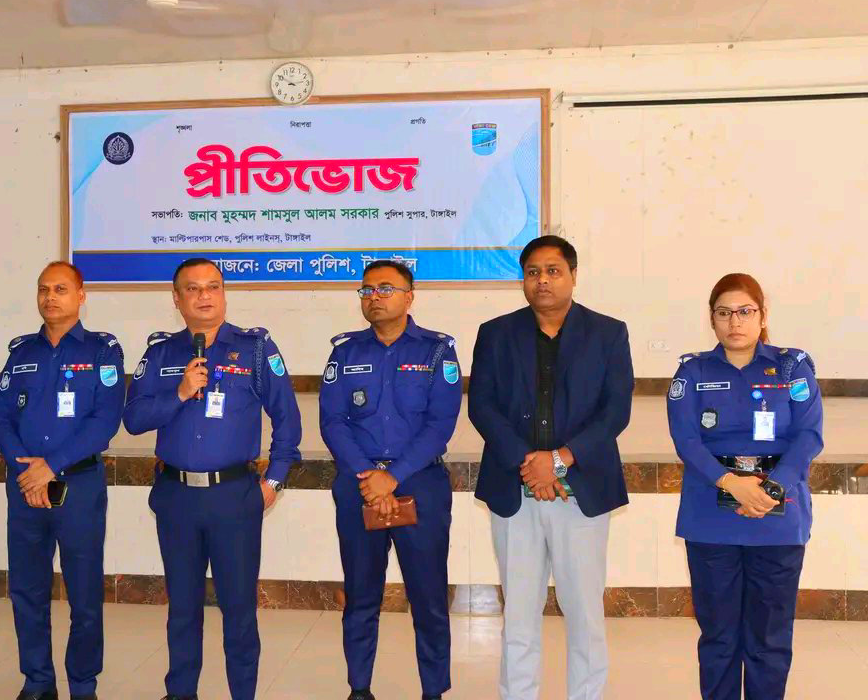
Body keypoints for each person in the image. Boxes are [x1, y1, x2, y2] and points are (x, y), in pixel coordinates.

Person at [123, 258, 302, 700]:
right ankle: (180, 692)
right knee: (183, 610)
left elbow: (288, 420)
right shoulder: (161, 352)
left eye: (213, 287)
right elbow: (134, 419)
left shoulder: (255, 349)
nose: (204, 296)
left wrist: (274, 482)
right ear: (176, 299)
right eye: (193, 288)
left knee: (238, 611)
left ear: (223, 294)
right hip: (177, 497)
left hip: (234, 497)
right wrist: (180, 392)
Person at [469, 235, 634, 700]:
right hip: (514, 489)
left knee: (584, 613)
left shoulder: (608, 333)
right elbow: (482, 406)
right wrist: (531, 464)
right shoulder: (495, 333)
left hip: (581, 491)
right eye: (533, 272)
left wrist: (559, 460)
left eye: (553, 270)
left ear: (573, 276)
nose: (542, 280)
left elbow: (615, 411)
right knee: (519, 613)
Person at [667, 272, 823, 700]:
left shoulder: (792, 367)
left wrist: (770, 491)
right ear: (712, 319)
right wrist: (731, 483)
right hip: (711, 517)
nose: (734, 321)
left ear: (762, 315)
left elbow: (809, 436)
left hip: (777, 517)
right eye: (724, 313)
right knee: (718, 637)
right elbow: (686, 440)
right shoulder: (692, 371)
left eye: (745, 311)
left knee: (769, 638)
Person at [319, 260, 463, 700]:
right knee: (361, 596)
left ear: (409, 296)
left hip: (420, 482)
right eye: (366, 290)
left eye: (385, 288)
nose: (374, 297)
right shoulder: (345, 352)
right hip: (359, 483)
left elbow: (440, 424)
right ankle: (359, 688)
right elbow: (332, 422)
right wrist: (371, 476)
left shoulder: (437, 352)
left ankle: (433, 690)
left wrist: (393, 477)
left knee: (428, 598)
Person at [0, 261, 125, 700]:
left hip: (78, 488)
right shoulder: (21, 352)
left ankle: (83, 685)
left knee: (84, 595)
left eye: (61, 289)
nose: (50, 297)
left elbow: (105, 422)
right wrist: (28, 472)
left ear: (81, 296)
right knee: (26, 591)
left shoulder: (103, 352)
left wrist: (51, 466)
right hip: (25, 488)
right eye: (44, 289)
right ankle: (38, 682)